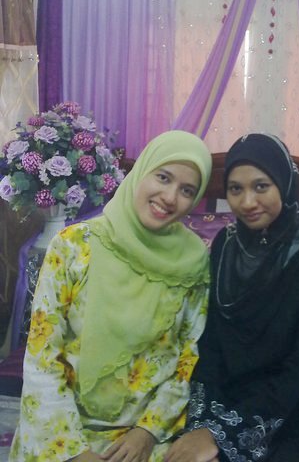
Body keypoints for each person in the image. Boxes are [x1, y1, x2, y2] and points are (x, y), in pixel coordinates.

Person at [9, 130, 213, 462]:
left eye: (187, 190)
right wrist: (74, 452)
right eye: (163, 177)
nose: (170, 197)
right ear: (141, 172)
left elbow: (188, 359)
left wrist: (147, 431)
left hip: (142, 436)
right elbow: (42, 357)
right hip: (61, 431)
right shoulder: (73, 246)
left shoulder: (193, 262)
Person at [165, 133, 299, 462]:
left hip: (294, 409)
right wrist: (204, 423)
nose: (247, 202)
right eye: (236, 189)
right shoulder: (225, 244)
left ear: (284, 184)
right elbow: (211, 342)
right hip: (227, 394)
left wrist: (222, 434)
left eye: (261, 186)